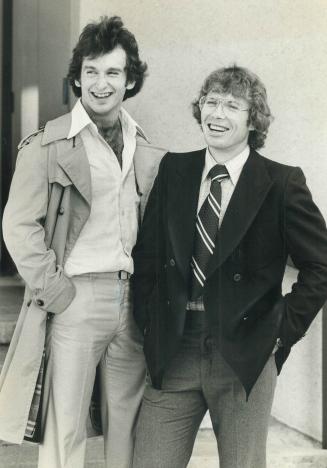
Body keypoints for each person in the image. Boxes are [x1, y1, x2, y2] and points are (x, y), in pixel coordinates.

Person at [132, 65, 327, 468]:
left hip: (245, 356)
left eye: (232, 105)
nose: (217, 114)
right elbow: (147, 257)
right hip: (175, 348)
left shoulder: (281, 182)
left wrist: (281, 331)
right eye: (211, 102)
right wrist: (151, 323)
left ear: (253, 119)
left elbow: (321, 265)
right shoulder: (174, 170)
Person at [0, 15, 165, 468]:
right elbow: (18, 226)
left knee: (125, 426)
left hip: (129, 300)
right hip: (75, 297)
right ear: (77, 77)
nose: (100, 83)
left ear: (130, 80)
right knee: (65, 427)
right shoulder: (48, 145)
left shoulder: (142, 144)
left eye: (113, 72)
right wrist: (57, 292)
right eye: (90, 71)